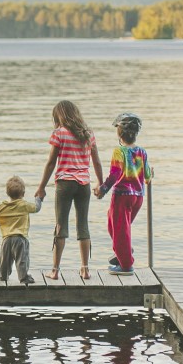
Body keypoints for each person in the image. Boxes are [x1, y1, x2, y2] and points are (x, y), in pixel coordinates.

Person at [34, 100, 104, 280]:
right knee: (83, 225)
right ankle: (85, 269)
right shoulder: (88, 134)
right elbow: (96, 161)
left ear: (59, 116)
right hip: (84, 185)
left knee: (61, 226)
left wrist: (41, 187)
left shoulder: (59, 134)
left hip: (65, 184)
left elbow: (51, 163)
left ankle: (55, 271)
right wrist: (100, 183)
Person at [95, 113, 150, 275]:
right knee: (117, 227)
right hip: (138, 197)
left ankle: (126, 265)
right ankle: (123, 252)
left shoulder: (119, 152)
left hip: (122, 196)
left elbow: (115, 174)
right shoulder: (142, 152)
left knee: (119, 229)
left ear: (119, 133)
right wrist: (150, 174)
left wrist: (102, 189)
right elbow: (147, 175)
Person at [0, 176, 42, 284]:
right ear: (23, 193)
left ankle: (2, 276)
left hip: (6, 240)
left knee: (5, 261)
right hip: (20, 239)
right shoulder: (24, 205)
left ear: (7, 193)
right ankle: (23, 277)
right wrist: (38, 198)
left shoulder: (3, 207)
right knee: (22, 259)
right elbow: (36, 208)